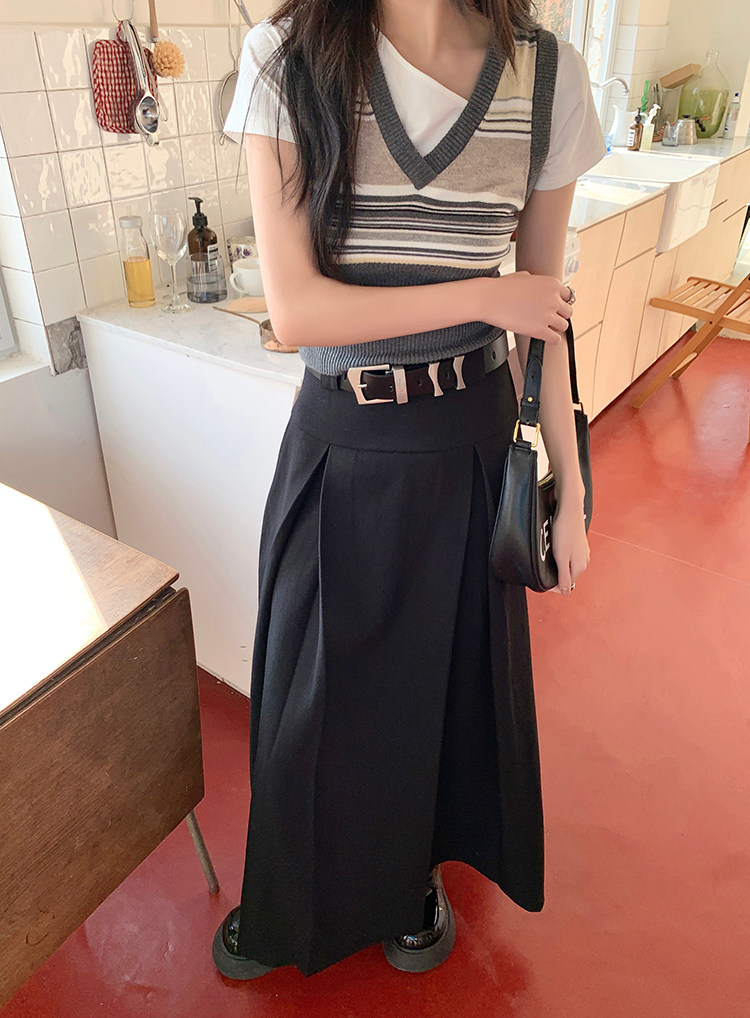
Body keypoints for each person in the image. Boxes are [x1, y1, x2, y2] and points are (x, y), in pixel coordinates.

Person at [215, 0, 606, 980]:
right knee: (311, 696)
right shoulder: (286, 60)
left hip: (471, 439)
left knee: (444, 690)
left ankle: (412, 882)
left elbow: (544, 318)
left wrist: (573, 489)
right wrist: (484, 293)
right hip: (342, 436)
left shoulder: (546, 78)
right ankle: (288, 898)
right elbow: (297, 310)